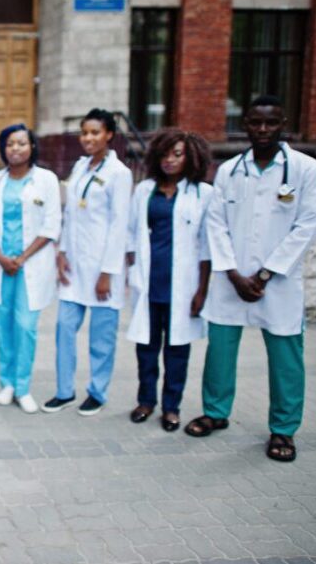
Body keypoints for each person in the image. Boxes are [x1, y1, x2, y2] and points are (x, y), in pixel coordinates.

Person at [187, 96, 316, 462]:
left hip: (277, 282)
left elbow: (307, 225)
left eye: (271, 123)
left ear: (284, 124)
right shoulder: (230, 170)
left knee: (286, 357)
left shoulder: (304, 169)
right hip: (231, 279)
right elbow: (215, 224)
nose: (263, 130)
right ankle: (216, 412)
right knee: (220, 350)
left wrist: (264, 274)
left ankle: (283, 429)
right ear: (244, 124)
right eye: (255, 123)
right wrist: (233, 273)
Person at [43, 108, 132, 416]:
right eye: (85, 133)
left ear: (109, 135)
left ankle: (97, 390)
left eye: (95, 132)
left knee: (101, 336)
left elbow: (120, 224)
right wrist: (62, 253)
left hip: (102, 269)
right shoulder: (80, 167)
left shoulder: (119, 174)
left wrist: (108, 272)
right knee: (64, 328)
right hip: (75, 265)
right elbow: (71, 216)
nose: (88, 138)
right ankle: (65, 390)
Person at [125, 128, 213, 432]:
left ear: (191, 157)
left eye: (177, 154)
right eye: (164, 154)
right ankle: (146, 401)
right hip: (149, 284)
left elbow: (206, 247)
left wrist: (201, 291)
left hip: (183, 287)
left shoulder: (202, 193)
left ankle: (171, 407)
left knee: (177, 350)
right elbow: (130, 234)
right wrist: (131, 270)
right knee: (146, 349)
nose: (170, 160)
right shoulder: (144, 190)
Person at [0, 124, 61, 414]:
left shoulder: (46, 179)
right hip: (0, 265)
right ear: (4, 149)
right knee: (3, 325)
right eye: (10, 144)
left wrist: (21, 258)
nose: (15, 149)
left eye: (21, 143)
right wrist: (1, 258)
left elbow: (52, 226)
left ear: (32, 147)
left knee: (26, 326)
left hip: (31, 265)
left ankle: (23, 387)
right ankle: (7, 384)